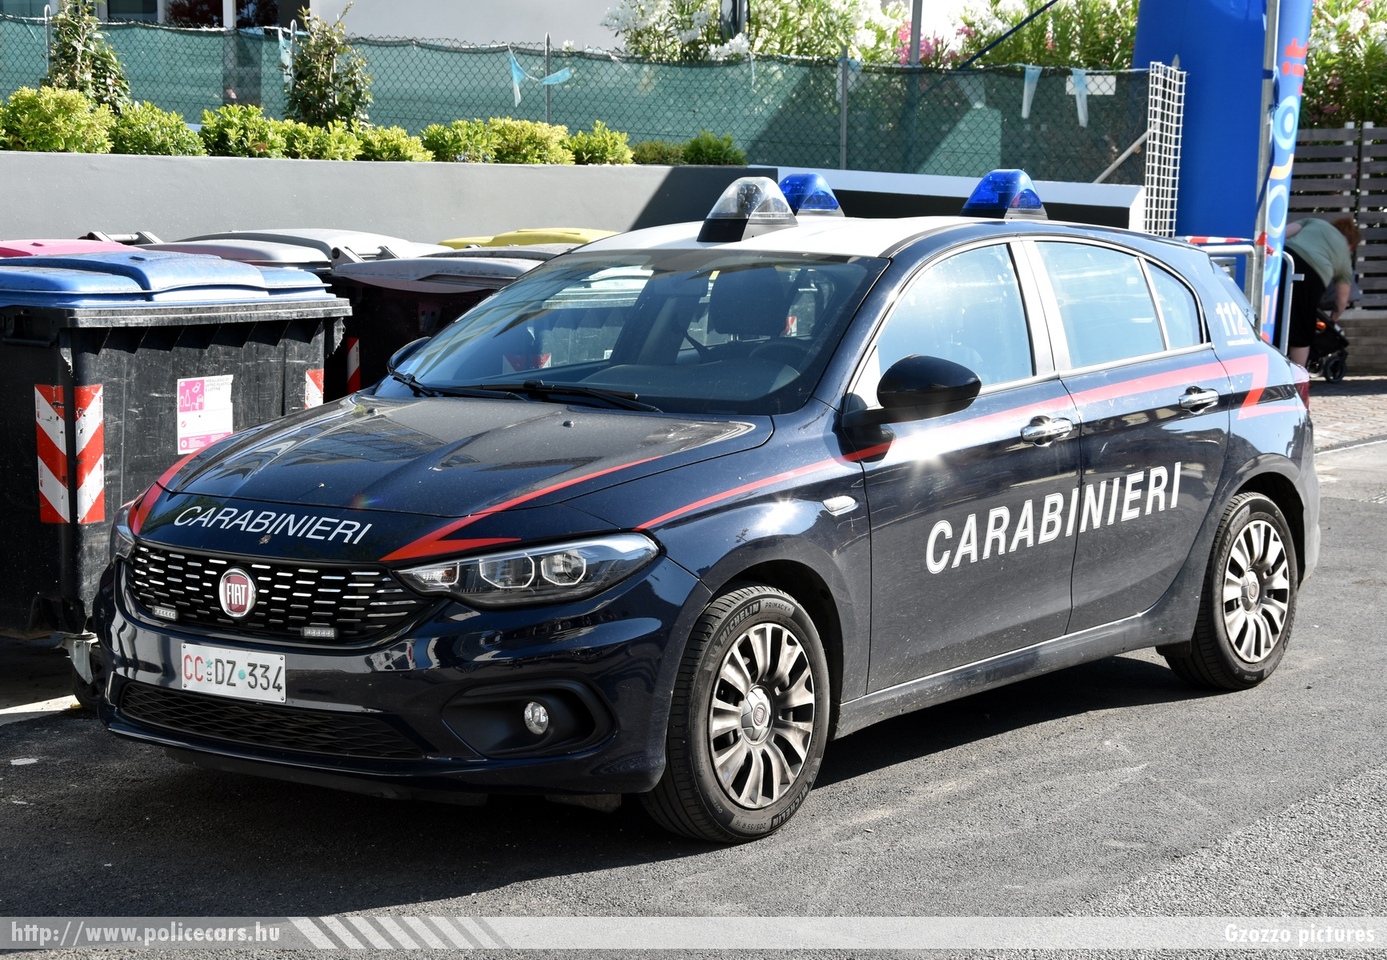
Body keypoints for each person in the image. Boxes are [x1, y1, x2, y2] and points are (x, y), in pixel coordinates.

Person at [1280, 216, 1359, 367]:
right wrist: (1332, 320)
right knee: (1301, 330)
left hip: (1285, 258)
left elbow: (1281, 234)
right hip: (1311, 276)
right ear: (1350, 244)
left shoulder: (1315, 222)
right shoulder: (1345, 257)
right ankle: (1297, 382)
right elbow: (1341, 300)